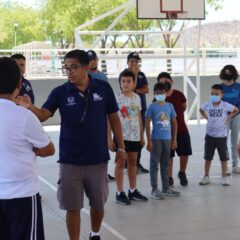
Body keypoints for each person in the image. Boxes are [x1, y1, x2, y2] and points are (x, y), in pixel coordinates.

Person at [17, 50, 125, 240]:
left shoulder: (103, 88)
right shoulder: (60, 92)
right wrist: (29, 106)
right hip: (70, 160)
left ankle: (95, 232)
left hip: (98, 159)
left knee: (98, 204)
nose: (69, 72)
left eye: (74, 67)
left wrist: (121, 147)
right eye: (66, 68)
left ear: (85, 67)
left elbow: (114, 117)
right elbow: (43, 115)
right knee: (72, 207)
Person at [0, 57, 55, 240]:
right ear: (19, 83)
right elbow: (48, 149)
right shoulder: (24, 116)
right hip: (22, 196)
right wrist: (35, 149)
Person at [109, 70, 148, 205]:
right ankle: (120, 192)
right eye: (123, 81)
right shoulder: (115, 97)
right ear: (120, 83)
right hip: (121, 136)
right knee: (120, 163)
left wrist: (142, 136)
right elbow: (109, 118)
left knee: (133, 163)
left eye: (128, 81)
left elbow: (138, 116)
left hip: (135, 135)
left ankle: (133, 190)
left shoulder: (137, 98)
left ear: (134, 83)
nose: (125, 84)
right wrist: (109, 137)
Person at [199, 84, 239, 186]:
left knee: (223, 158)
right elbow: (201, 109)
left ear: (222, 95)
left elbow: (236, 110)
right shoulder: (207, 104)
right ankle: (206, 176)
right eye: (212, 94)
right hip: (210, 136)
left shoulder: (225, 105)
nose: (214, 95)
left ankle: (224, 177)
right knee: (208, 157)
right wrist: (206, 117)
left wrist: (228, 117)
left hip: (221, 137)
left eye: (216, 94)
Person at [145, 82, 180, 199]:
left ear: (166, 93)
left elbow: (174, 123)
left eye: (162, 92)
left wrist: (174, 139)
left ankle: (166, 188)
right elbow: (147, 123)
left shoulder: (170, 106)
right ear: (154, 93)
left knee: (165, 164)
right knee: (154, 164)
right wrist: (148, 141)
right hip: (156, 139)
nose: (160, 94)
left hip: (168, 139)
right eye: (157, 92)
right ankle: (154, 189)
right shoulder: (152, 107)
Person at [157, 72, 192, 186]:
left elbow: (183, 107)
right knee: (168, 155)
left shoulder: (179, 94)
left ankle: (182, 172)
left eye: (167, 81)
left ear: (171, 81)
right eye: (162, 82)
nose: (165, 84)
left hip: (181, 129)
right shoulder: (158, 97)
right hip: (166, 133)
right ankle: (169, 177)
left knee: (184, 153)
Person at [87, 50, 115, 181]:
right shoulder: (84, 75)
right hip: (88, 115)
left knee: (103, 144)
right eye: (89, 59)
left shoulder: (103, 77)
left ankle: (103, 171)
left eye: (94, 59)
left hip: (102, 114)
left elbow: (108, 95)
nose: (92, 61)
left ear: (97, 60)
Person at [120, 52, 149, 173]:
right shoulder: (124, 75)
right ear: (127, 62)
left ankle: (136, 163)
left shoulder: (142, 74)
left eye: (136, 61)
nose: (134, 63)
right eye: (132, 61)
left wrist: (137, 89)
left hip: (139, 109)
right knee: (127, 137)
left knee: (138, 137)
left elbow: (146, 89)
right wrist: (135, 76)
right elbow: (130, 89)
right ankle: (126, 164)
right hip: (127, 111)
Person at [220, 65, 240, 174]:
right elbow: (218, 103)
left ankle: (235, 165)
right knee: (223, 141)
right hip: (224, 117)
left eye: (230, 72)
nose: (228, 75)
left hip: (237, 116)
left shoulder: (238, 86)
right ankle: (225, 167)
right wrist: (227, 116)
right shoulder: (220, 87)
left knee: (234, 141)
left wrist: (233, 113)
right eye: (226, 72)